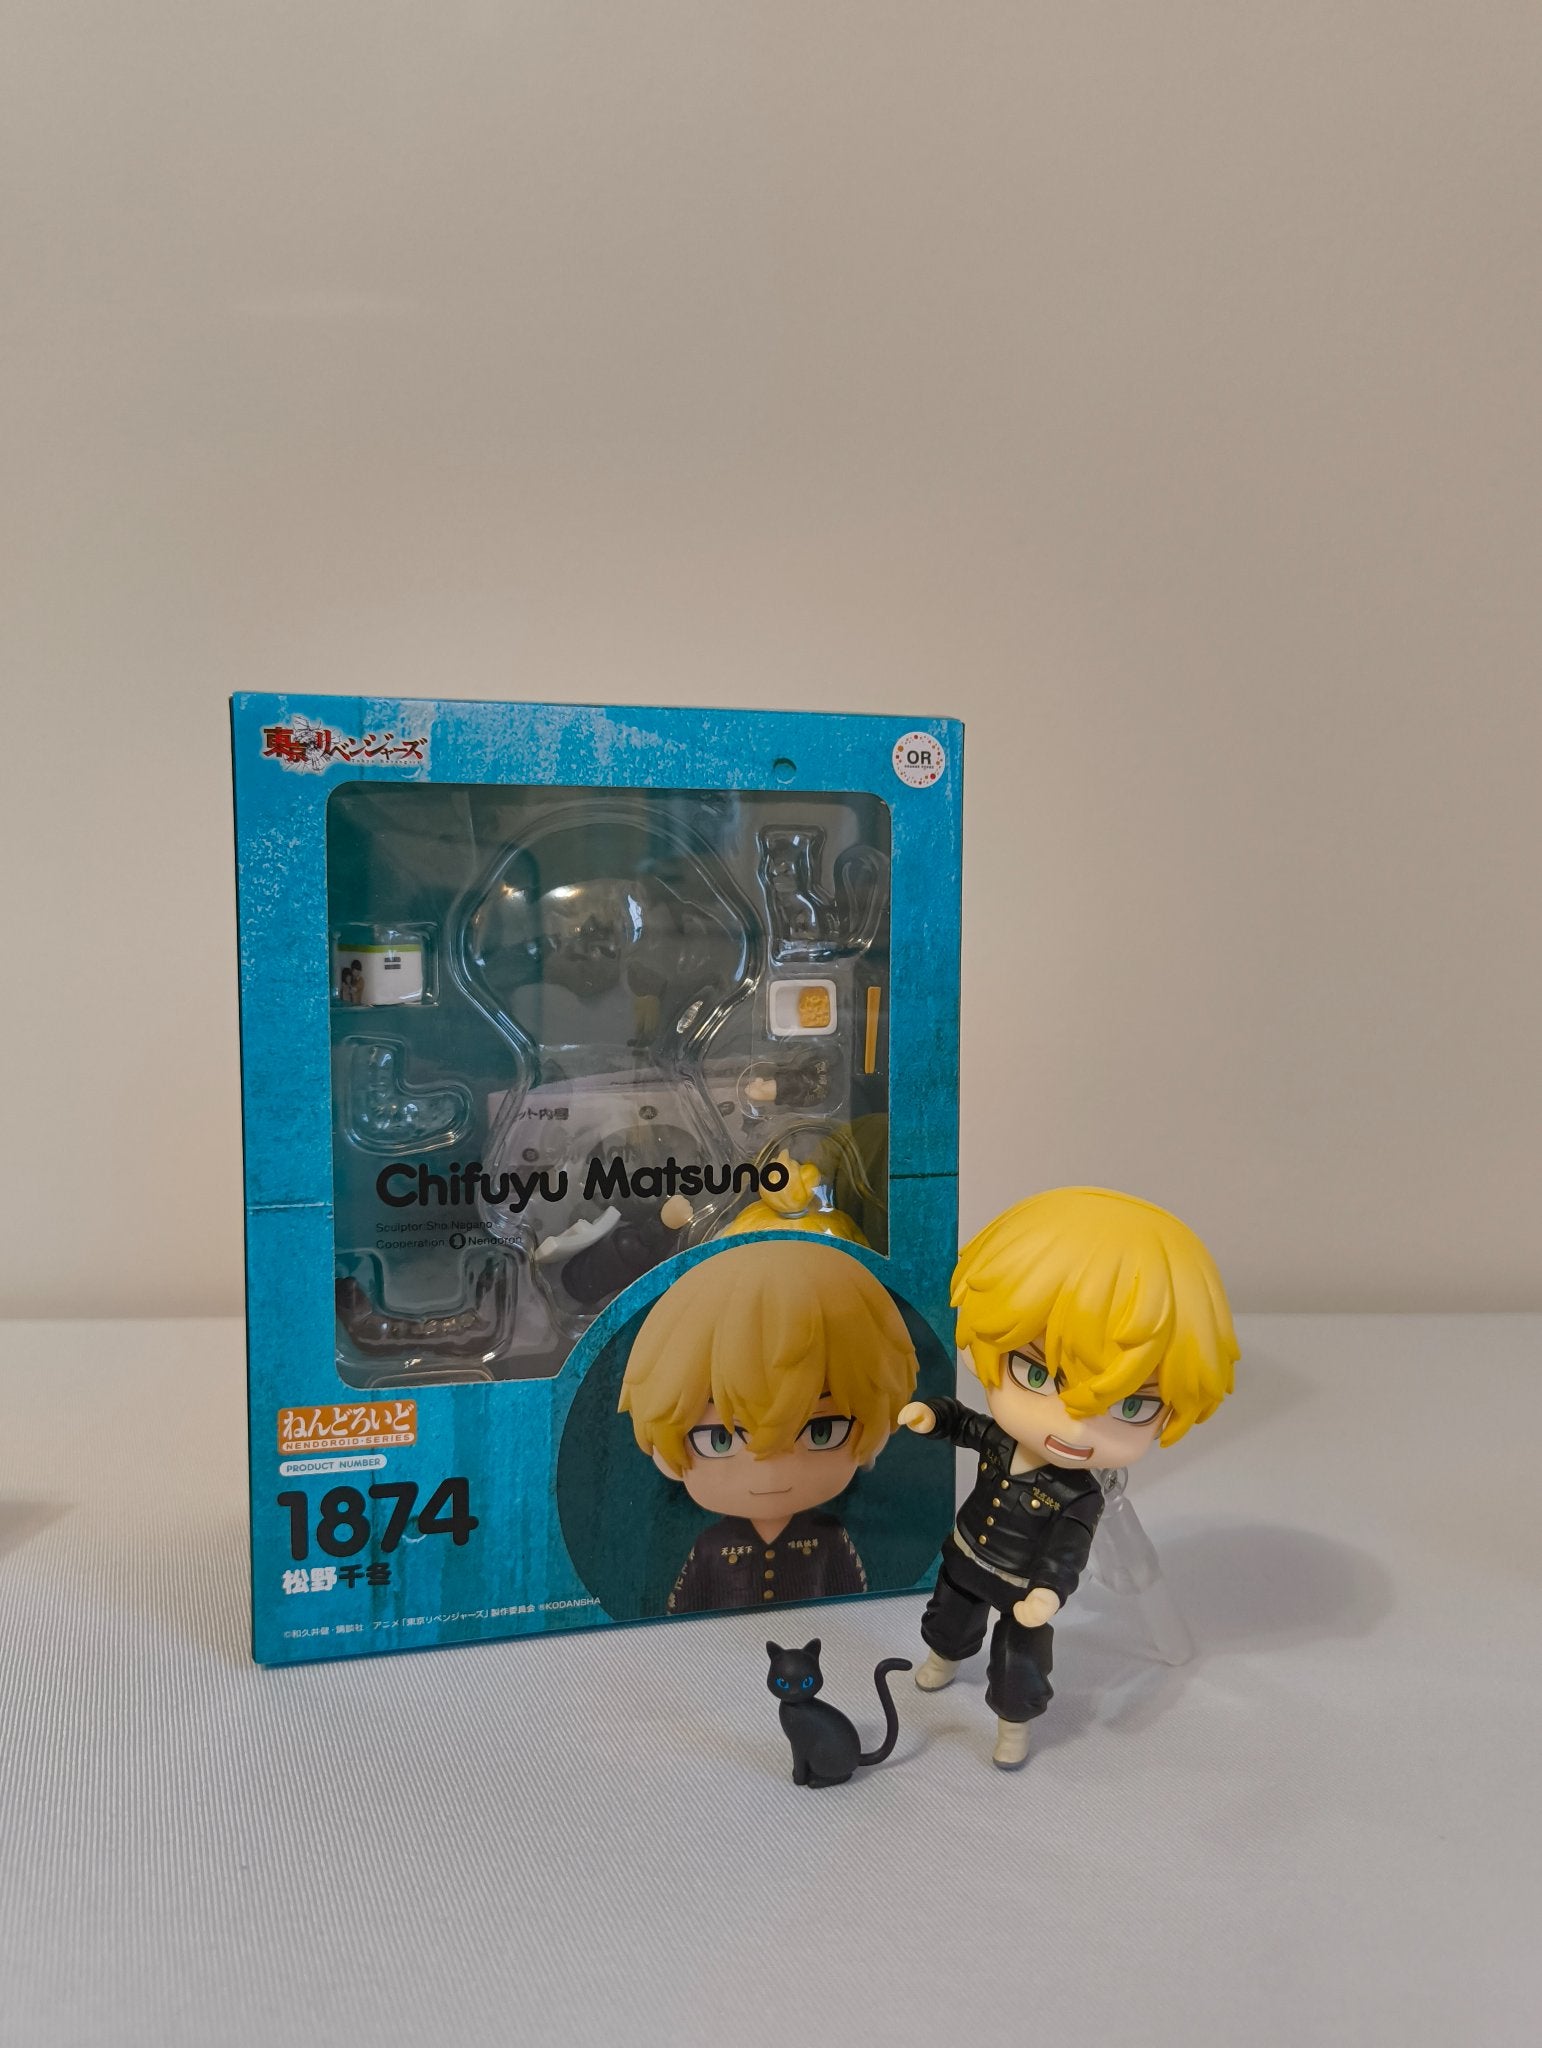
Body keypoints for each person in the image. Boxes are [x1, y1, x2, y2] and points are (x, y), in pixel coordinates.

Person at [901, 1187, 1237, 1769]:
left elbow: (1069, 1548)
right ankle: (943, 1660)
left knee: (1021, 1664)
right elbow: (967, 1425)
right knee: (948, 1620)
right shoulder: (1002, 1439)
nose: (1072, 1424)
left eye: (1130, 1405)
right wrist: (932, 1417)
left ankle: (1013, 1725)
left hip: (1024, 1588)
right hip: (965, 1555)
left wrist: (1049, 1592)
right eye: (1035, 1373)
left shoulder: (1079, 1492)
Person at [619, 1238, 918, 1614]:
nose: (770, 1471)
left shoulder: (829, 1537)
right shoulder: (711, 1544)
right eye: (721, 1438)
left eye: (822, 1432)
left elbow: (855, 1595)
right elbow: (683, 1608)